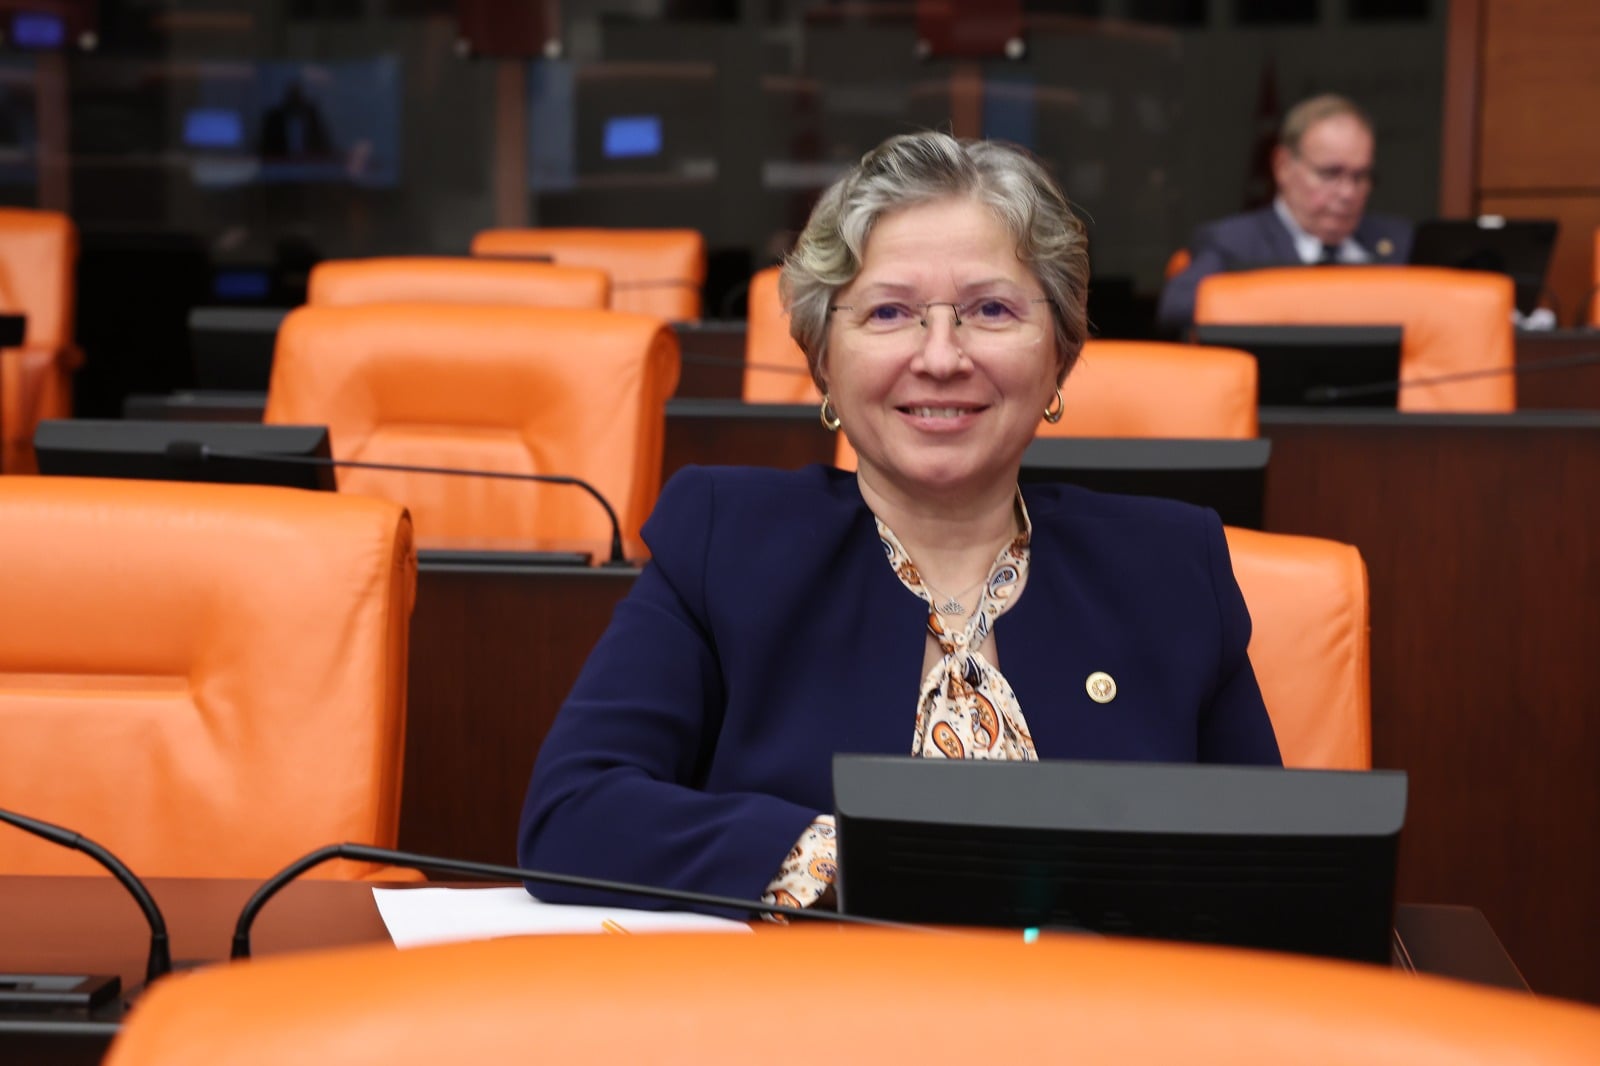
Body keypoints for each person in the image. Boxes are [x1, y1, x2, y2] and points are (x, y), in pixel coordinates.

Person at [518, 131, 1281, 916]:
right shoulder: (726, 541)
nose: (941, 357)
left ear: (1059, 351)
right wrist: (874, 860)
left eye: (990, 309)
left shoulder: (1171, 567)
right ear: (823, 358)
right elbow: (574, 814)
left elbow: (1275, 864)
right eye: (890, 312)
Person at [1157, 94, 1413, 332]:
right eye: (1330, 174)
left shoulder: (1399, 242)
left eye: (1360, 176)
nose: (1348, 193)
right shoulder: (1233, 243)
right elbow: (1177, 306)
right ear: (1283, 166)